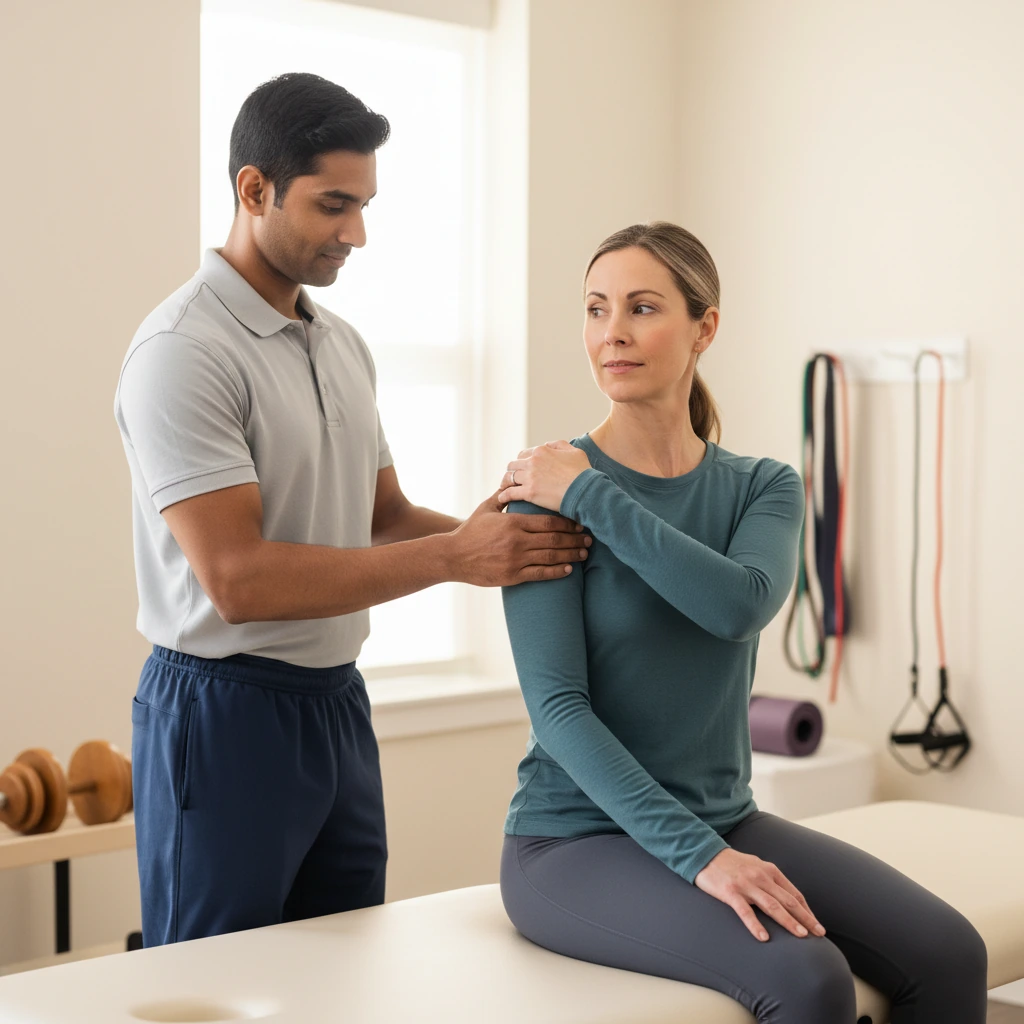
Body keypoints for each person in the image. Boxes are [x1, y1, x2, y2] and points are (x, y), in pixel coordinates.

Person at [113, 72, 589, 947]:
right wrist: (457, 561)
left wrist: (525, 537)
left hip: (336, 704)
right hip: (223, 710)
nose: (356, 234)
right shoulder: (183, 353)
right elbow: (239, 580)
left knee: (343, 970)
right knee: (218, 981)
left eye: (364, 205)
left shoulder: (339, 344)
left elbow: (383, 515)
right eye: (334, 205)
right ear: (253, 189)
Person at [495, 222, 987, 1022]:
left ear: (704, 328)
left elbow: (738, 606)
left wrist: (590, 494)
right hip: (572, 842)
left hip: (726, 816)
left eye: (642, 307)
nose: (610, 332)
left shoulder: (760, 486)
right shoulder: (540, 493)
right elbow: (558, 713)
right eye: (594, 309)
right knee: (808, 979)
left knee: (949, 954)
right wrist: (703, 860)